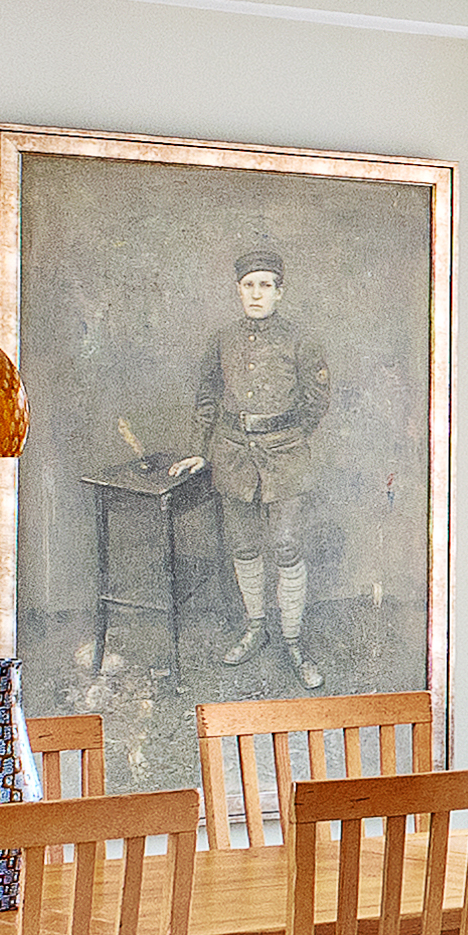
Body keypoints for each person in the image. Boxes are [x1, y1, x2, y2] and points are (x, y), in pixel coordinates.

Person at [194, 242, 333, 674]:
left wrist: (286, 436)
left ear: (280, 292)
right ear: (238, 290)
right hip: (233, 455)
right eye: (249, 285)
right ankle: (257, 627)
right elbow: (207, 399)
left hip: (286, 458)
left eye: (266, 285)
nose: (257, 293)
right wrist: (202, 452)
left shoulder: (302, 341)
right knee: (244, 544)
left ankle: (292, 639)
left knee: (286, 544)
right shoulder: (221, 341)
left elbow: (317, 400)